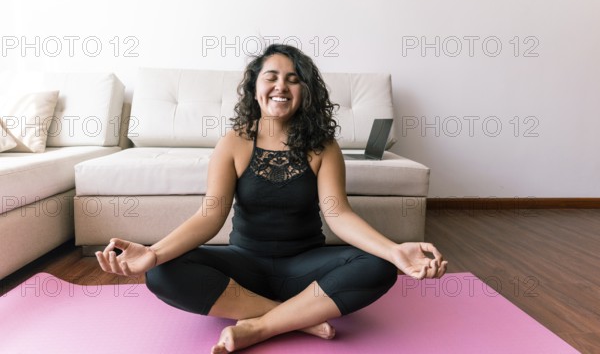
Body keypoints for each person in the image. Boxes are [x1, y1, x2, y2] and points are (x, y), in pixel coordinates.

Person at [95, 44, 448, 353]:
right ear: (254, 87)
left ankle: (260, 326)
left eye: (293, 79)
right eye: (271, 77)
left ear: (305, 91)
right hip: (245, 265)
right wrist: (154, 252)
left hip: (305, 266)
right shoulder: (233, 142)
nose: (281, 86)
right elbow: (209, 216)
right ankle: (296, 317)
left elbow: (338, 214)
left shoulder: (323, 146)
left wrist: (393, 250)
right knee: (162, 273)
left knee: (378, 267)